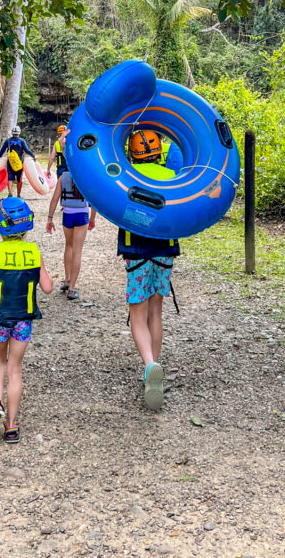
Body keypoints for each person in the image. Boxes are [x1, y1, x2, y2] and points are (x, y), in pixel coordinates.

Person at [0, 196, 53, 443]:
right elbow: (48, 287)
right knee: (15, 369)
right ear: (27, 225)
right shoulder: (34, 253)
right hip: (23, 321)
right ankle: (12, 426)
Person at [120, 128, 180, 412]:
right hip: (165, 250)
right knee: (156, 311)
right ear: (159, 151)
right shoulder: (172, 176)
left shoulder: (125, 175)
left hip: (137, 252)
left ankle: (149, 364)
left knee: (138, 313)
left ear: (132, 152)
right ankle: (152, 374)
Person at [46, 170, 96, 300]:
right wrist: (92, 218)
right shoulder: (87, 175)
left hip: (67, 214)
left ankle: (67, 280)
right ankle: (72, 289)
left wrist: (50, 218)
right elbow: (94, 199)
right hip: (82, 215)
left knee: (68, 246)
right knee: (77, 251)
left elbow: (55, 198)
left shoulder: (63, 177)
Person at [0, 124, 36, 198]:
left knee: (10, 177)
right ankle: (18, 195)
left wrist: (0, 157)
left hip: (10, 162)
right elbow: (27, 150)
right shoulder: (22, 141)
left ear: (12, 133)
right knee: (19, 178)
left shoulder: (8, 141)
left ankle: (10, 193)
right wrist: (33, 156)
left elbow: (2, 150)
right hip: (20, 162)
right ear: (19, 133)